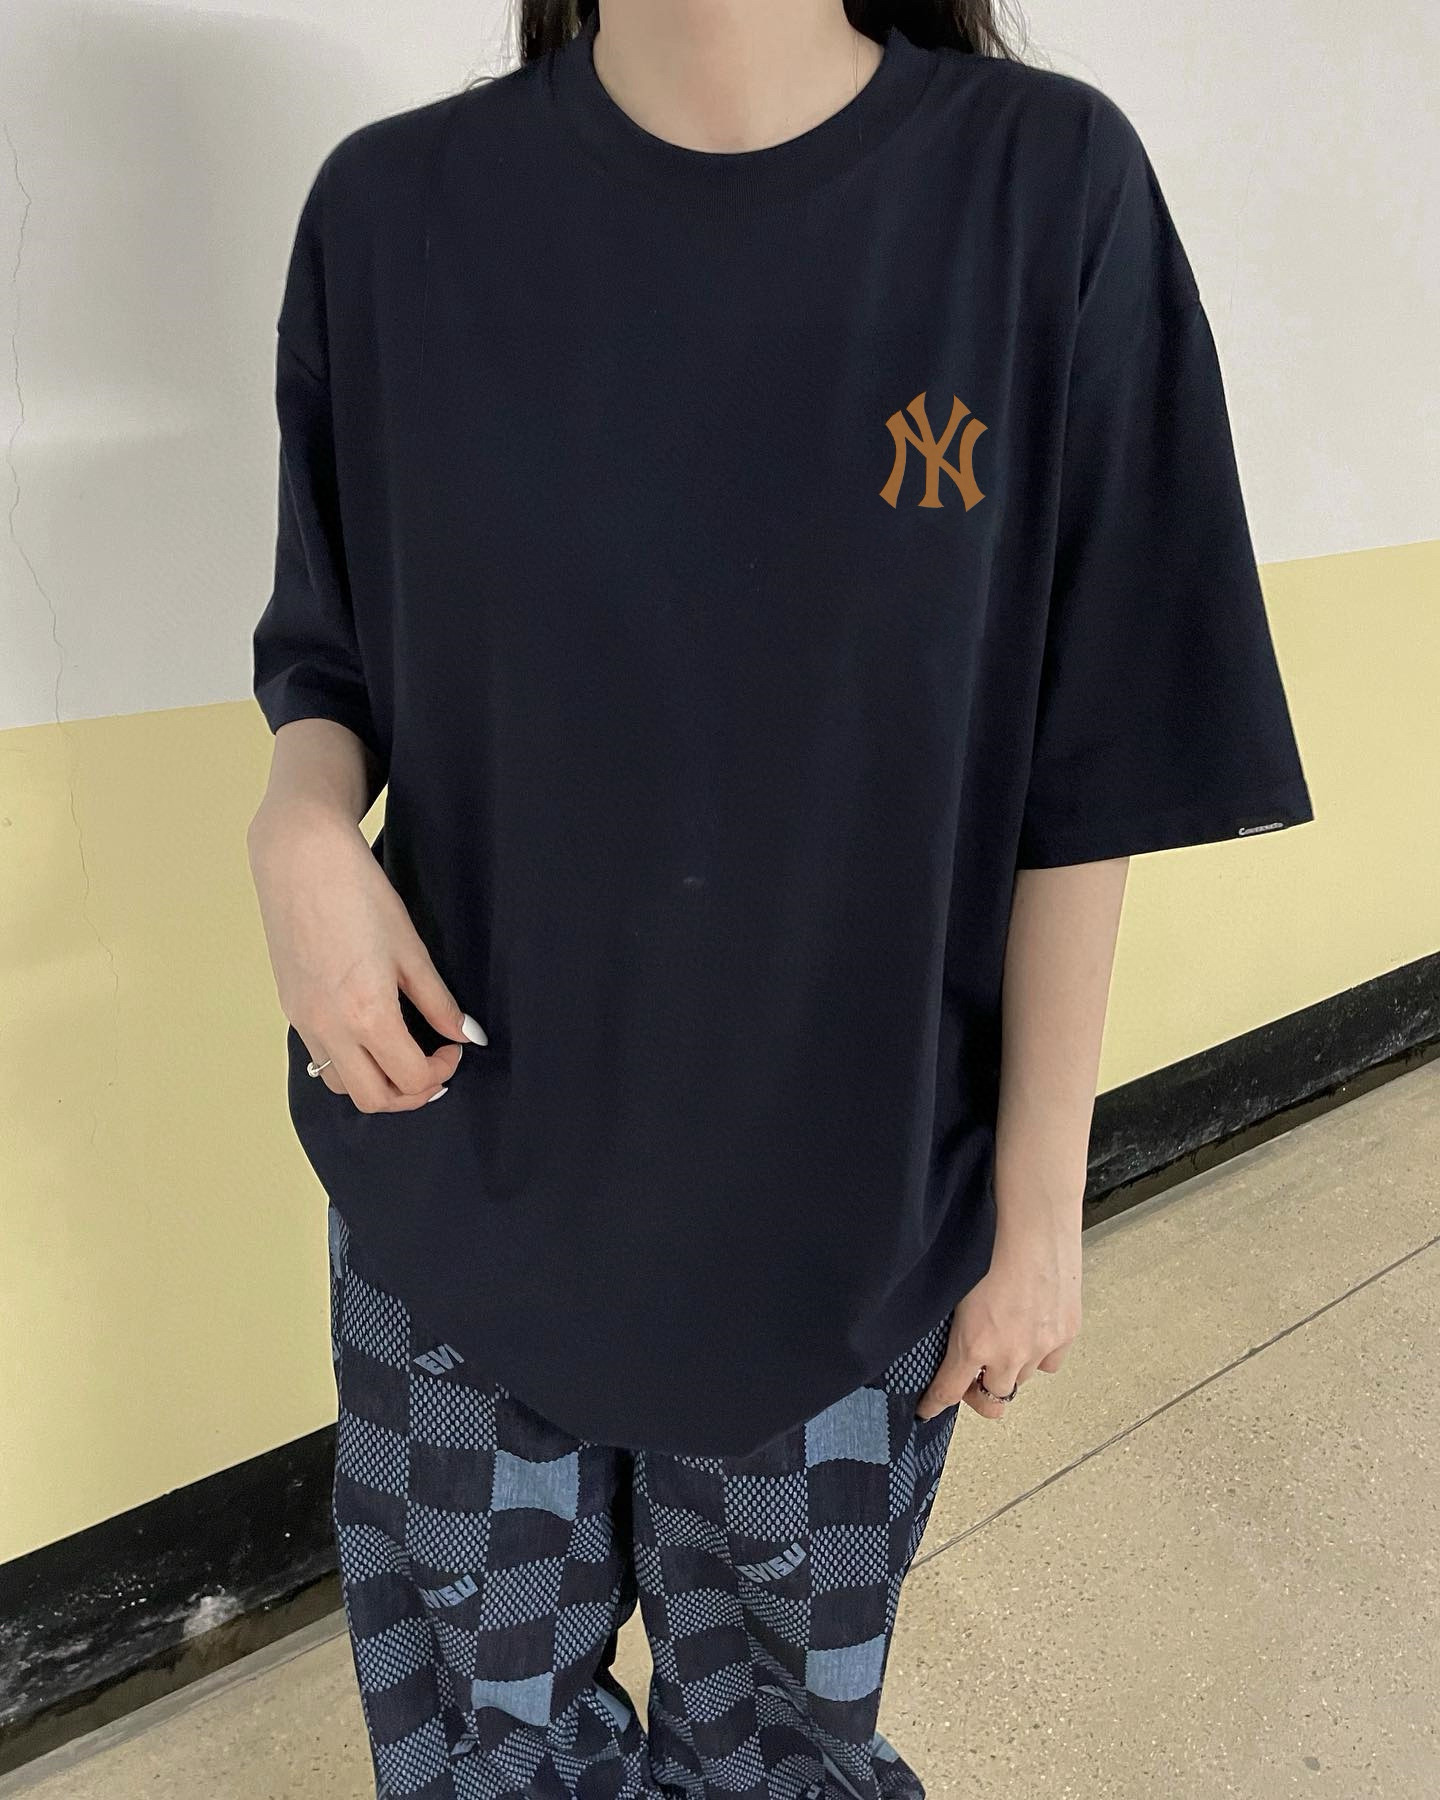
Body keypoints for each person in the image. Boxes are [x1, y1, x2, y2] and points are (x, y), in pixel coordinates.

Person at [247, 2, 1315, 1794]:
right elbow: (330, 642)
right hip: (453, 1159)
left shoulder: (1040, 193)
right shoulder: (391, 213)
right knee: (479, 1752)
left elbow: (1092, 753)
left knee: (777, 1753)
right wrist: (295, 824)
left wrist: (1041, 1212)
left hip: (850, 1204)